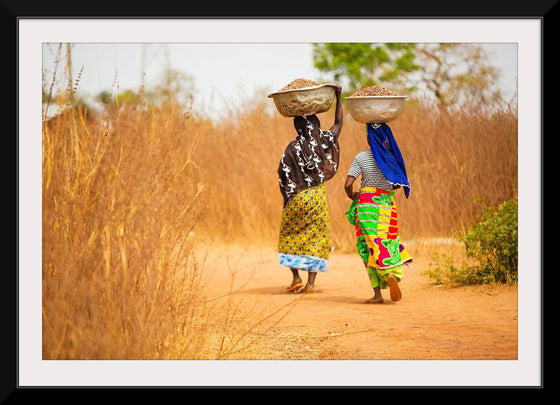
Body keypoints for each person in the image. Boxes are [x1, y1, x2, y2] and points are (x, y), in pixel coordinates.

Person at [278, 85, 343, 294]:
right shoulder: (324, 141)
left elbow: (282, 173)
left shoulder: (292, 147)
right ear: (316, 124)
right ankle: (311, 283)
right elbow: (339, 122)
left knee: (289, 235)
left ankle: (296, 276)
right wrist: (338, 96)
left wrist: (287, 197)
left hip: (296, 197)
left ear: (297, 126)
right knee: (316, 237)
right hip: (316, 196)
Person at [344, 122, 412, 303]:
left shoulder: (361, 157)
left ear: (368, 138)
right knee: (388, 241)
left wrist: (353, 197)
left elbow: (348, 184)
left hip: (367, 205)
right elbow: (399, 182)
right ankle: (393, 274)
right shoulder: (390, 158)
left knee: (368, 246)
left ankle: (377, 294)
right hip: (387, 205)